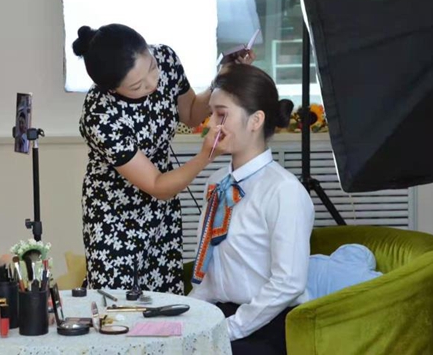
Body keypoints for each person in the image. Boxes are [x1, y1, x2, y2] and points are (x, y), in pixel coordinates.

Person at [74, 23, 255, 294]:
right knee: (116, 301)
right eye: (137, 86)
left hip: (161, 210)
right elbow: (157, 185)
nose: (152, 83)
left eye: (151, 67)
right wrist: (206, 155)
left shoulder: (166, 59)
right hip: (114, 213)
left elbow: (191, 113)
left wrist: (224, 76)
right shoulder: (100, 115)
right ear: (111, 89)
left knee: (163, 298)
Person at [188, 64, 314, 355]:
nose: (210, 125)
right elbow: (211, 274)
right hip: (221, 316)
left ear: (256, 120)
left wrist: (228, 329)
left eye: (221, 114)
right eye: (211, 114)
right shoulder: (216, 181)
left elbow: (289, 283)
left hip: (270, 324)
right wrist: (188, 315)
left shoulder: (284, 190)